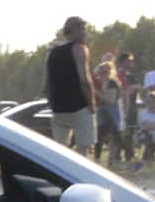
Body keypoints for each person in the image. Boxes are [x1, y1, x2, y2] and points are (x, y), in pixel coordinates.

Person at [45, 16, 96, 154]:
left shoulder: (52, 52)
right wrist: (92, 103)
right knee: (83, 149)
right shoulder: (80, 49)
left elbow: (47, 82)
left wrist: (52, 103)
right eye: (84, 30)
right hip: (79, 106)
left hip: (58, 108)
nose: (86, 34)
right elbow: (84, 79)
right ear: (76, 30)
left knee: (59, 151)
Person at [93, 61, 127, 164]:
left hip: (112, 113)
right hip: (104, 112)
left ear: (110, 72)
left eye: (105, 72)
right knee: (100, 137)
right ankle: (98, 159)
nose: (102, 74)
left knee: (117, 137)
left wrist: (96, 93)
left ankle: (129, 157)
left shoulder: (112, 83)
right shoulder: (104, 83)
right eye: (100, 72)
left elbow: (111, 100)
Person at [115, 51, 139, 163]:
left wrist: (136, 88)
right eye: (129, 60)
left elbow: (137, 89)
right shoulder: (116, 75)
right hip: (120, 108)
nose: (132, 62)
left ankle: (129, 159)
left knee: (131, 133)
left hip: (132, 108)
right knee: (120, 134)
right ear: (122, 62)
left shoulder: (131, 76)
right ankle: (116, 158)